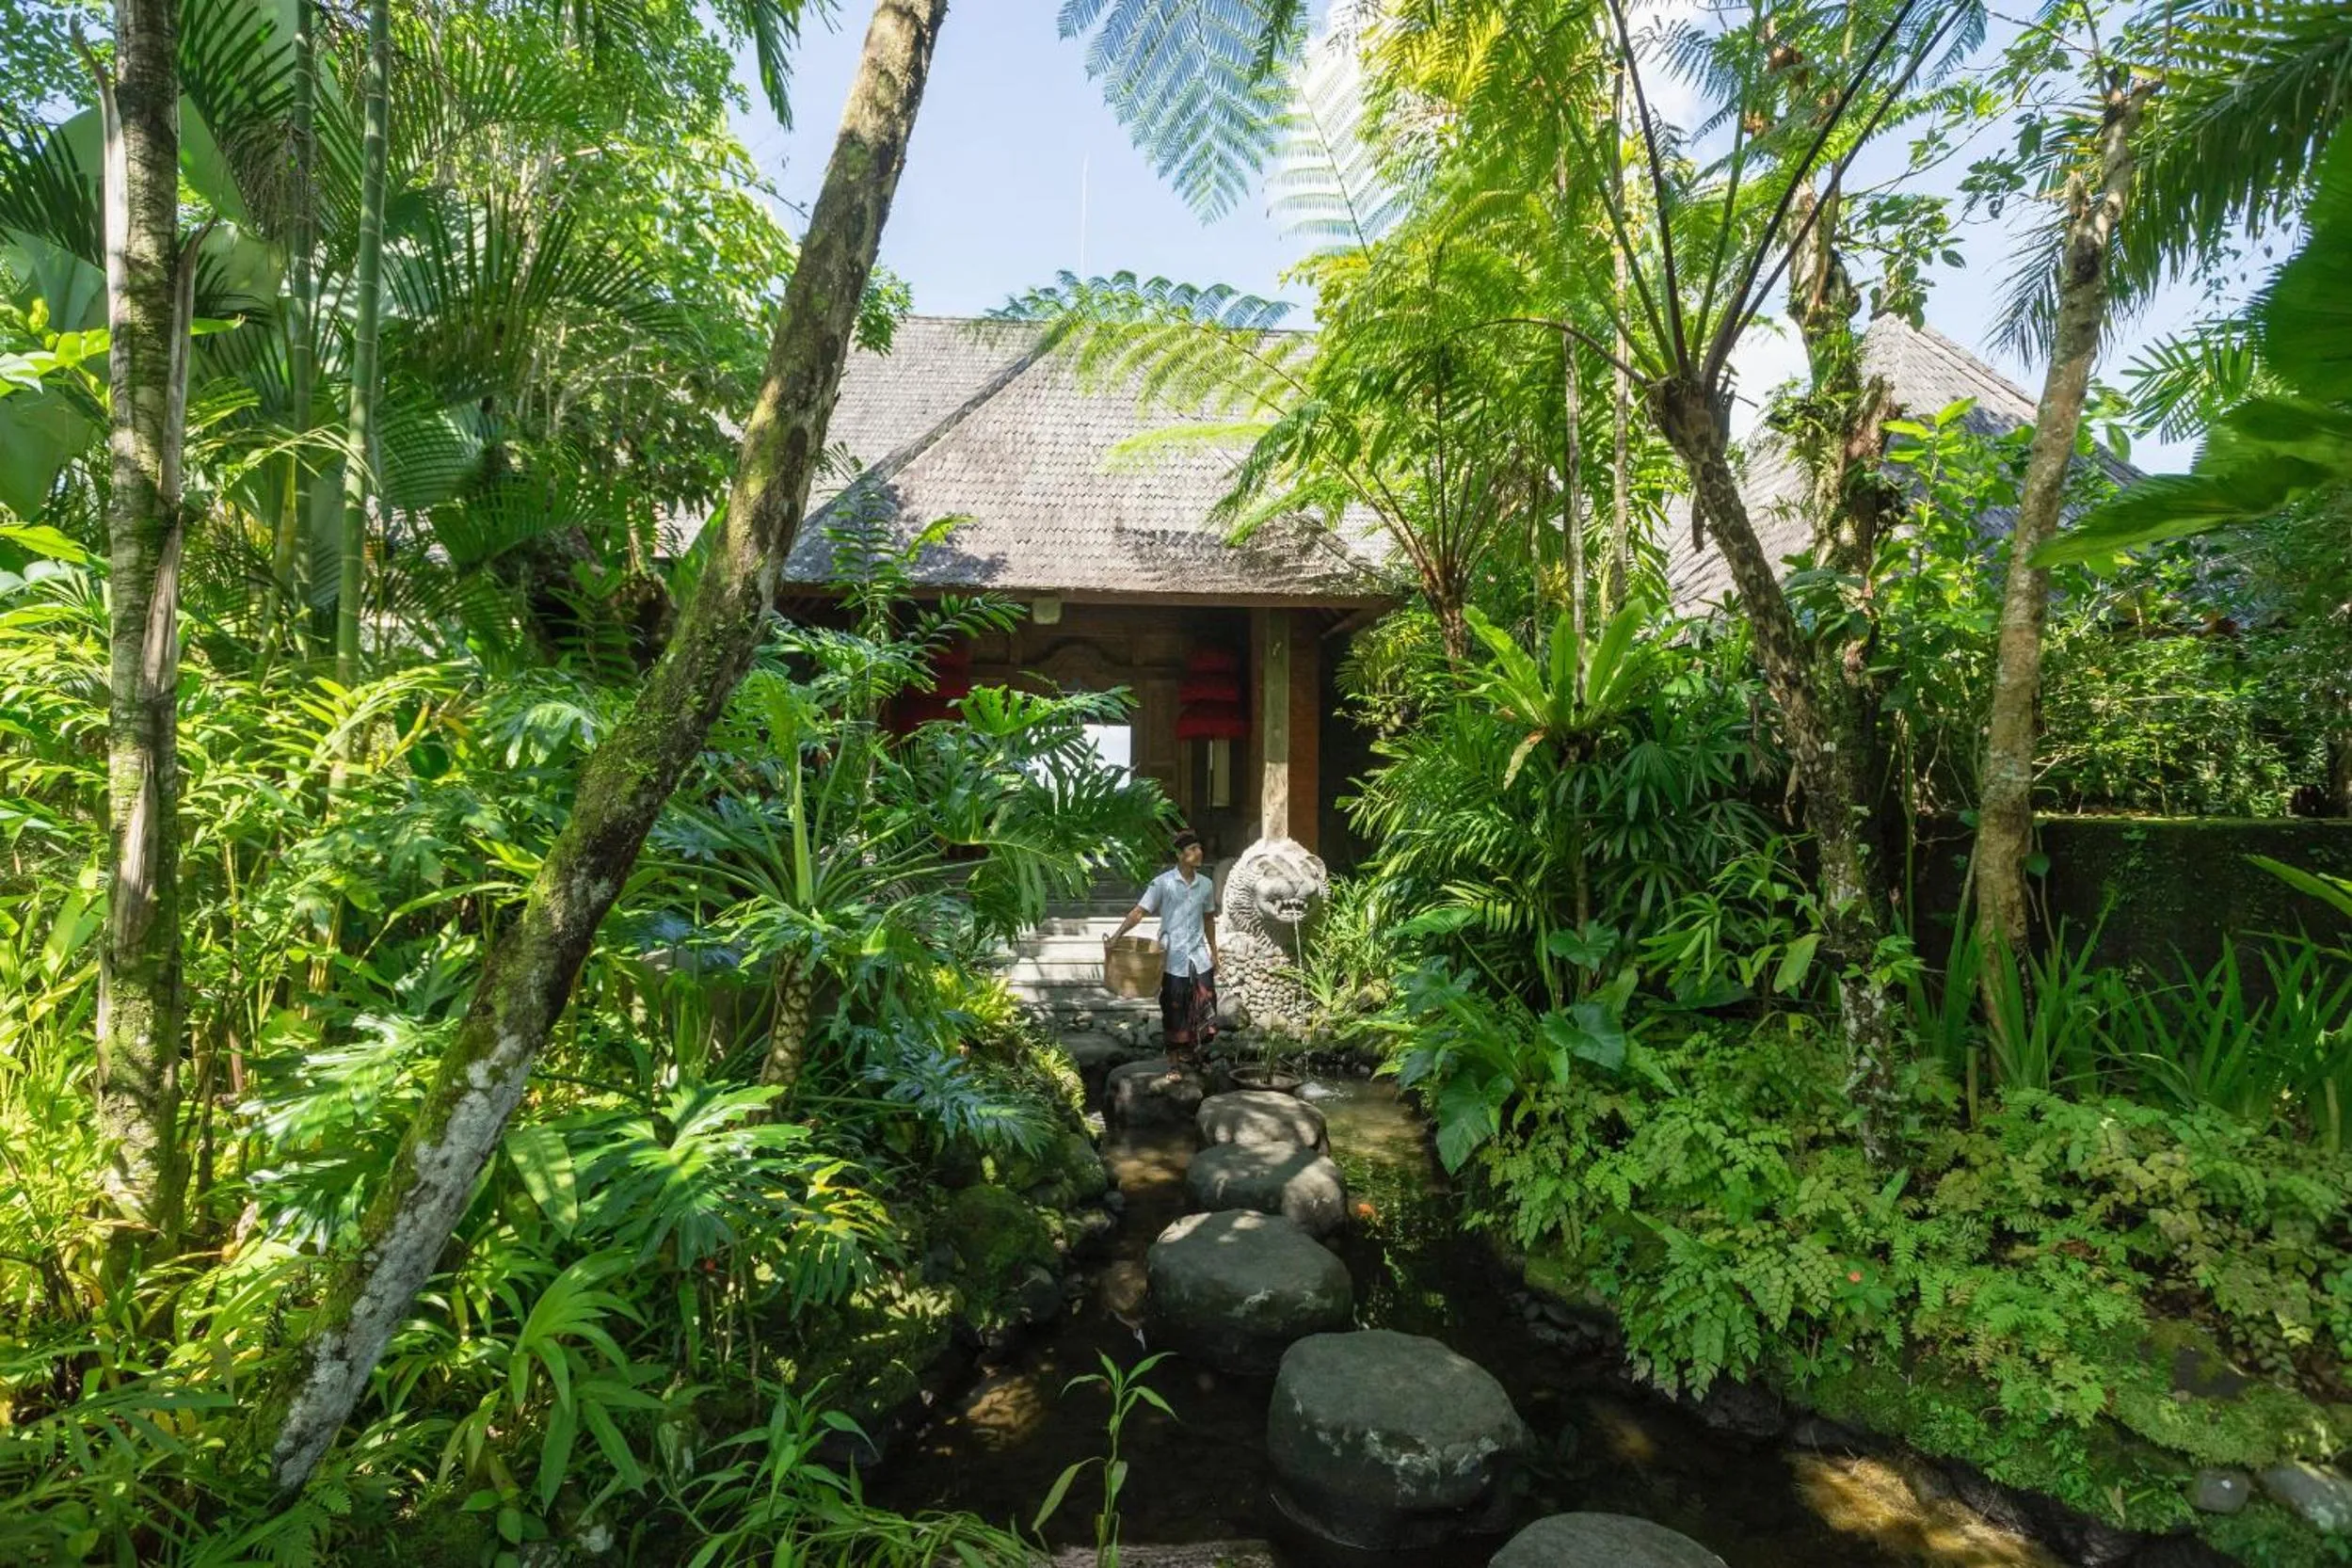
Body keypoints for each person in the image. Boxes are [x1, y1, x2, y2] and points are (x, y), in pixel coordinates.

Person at [1105, 831, 1221, 1066]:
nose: (1199, 853)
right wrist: (1117, 935)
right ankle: (1173, 1062)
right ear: (1180, 855)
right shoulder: (1163, 883)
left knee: (1206, 1002)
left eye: (1199, 848)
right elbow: (1140, 911)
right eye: (1192, 849)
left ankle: (1194, 1053)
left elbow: (1208, 919)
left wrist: (1214, 952)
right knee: (1173, 1007)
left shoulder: (1206, 885)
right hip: (1171, 957)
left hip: (1198, 956)